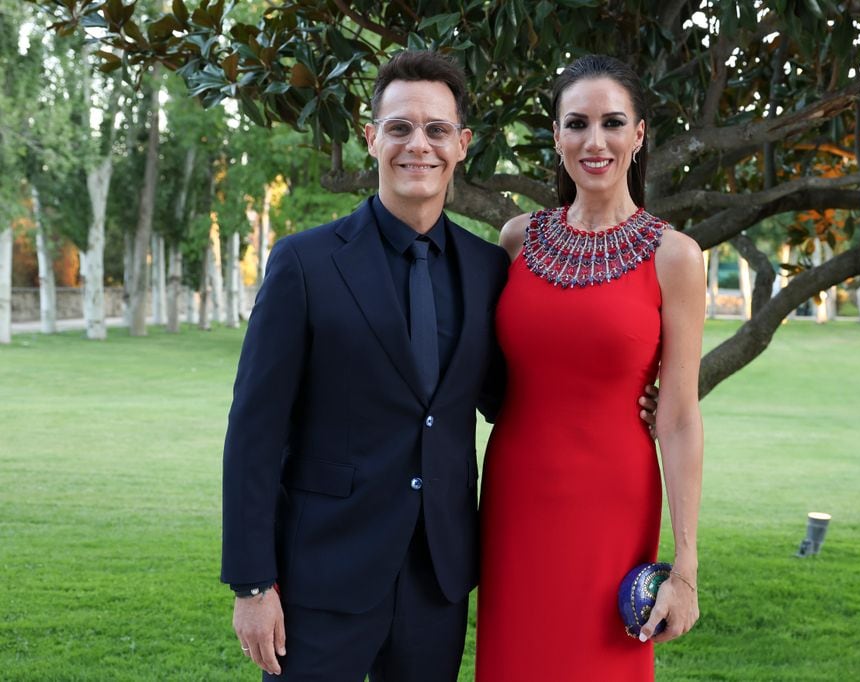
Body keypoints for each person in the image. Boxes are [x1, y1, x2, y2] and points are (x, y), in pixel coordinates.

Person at [221, 51, 657, 681]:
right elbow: (254, 434)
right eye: (399, 128)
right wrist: (253, 584)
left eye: (435, 130)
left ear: (462, 144)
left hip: (438, 581)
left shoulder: (487, 272)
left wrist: (630, 392)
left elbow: (523, 394)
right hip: (322, 578)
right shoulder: (305, 265)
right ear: (372, 139)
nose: (416, 145)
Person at [475, 54, 706, 682]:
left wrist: (683, 568)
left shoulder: (676, 257)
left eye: (613, 123)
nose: (594, 140)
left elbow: (681, 416)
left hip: (615, 501)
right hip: (515, 496)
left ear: (639, 134)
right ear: (556, 136)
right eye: (576, 123)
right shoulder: (517, 240)